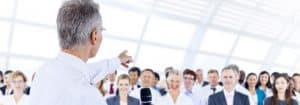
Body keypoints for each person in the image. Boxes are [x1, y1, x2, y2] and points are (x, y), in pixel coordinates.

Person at [28, 0, 133, 105]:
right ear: (94, 36)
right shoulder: (89, 96)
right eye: (101, 30)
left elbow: (88, 71)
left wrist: (117, 60)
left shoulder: (44, 72)